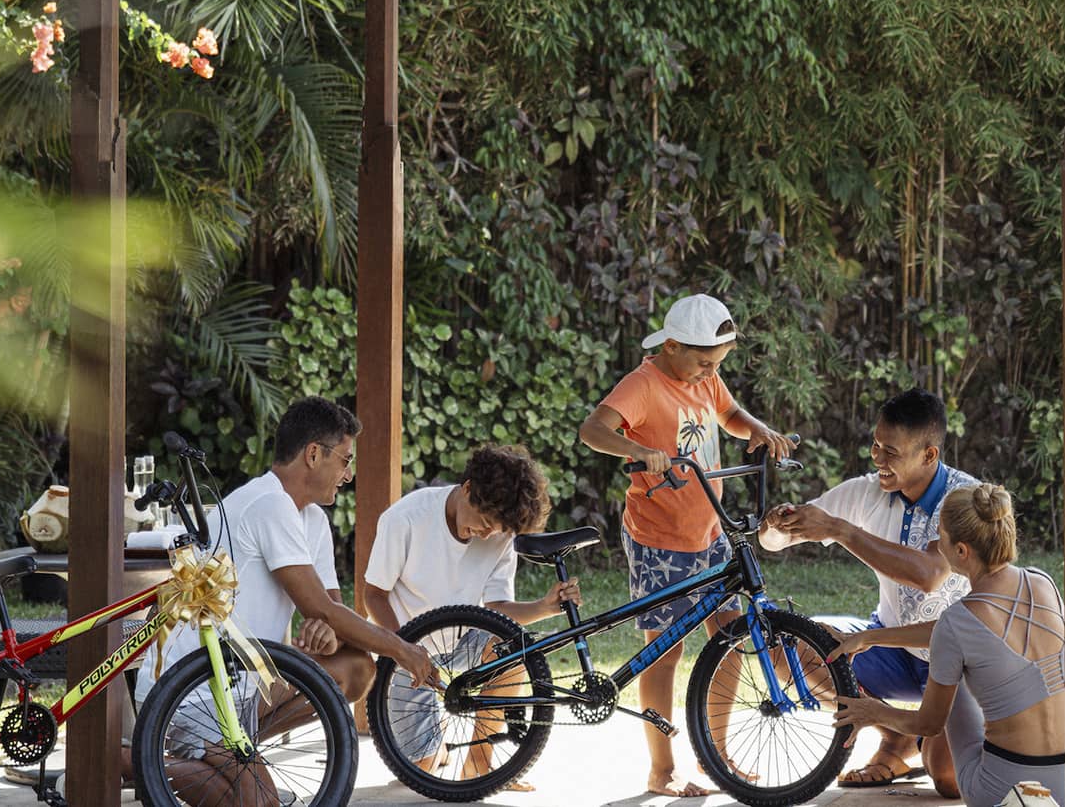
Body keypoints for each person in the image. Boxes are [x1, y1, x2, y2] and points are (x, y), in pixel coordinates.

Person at [131, 397, 435, 804]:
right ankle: (126, 762)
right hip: (195, 690)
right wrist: (402, 649)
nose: (348, 474)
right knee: (261, 802)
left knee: (355, 668)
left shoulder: (313, 520)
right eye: (345, 460)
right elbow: (324, 609)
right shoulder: (267, 503)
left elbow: (330, 612)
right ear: (313, 454)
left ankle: (225, 761)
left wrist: (326, 631)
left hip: (245, 684)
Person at [579, 292, 795, 799]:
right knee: (665, 653)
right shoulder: (644, 383)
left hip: (711, 532)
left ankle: (716, 754)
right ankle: (662, 768)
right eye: (703, 363)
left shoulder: (704, 376)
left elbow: (731, 412)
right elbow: (593, 429)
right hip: (660, 542)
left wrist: (757, 428)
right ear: (672, 345)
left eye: (716, 365)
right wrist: (637, 450)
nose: (708, 373)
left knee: (733, 639)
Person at [763, 386, 976, 793]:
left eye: (891, 452)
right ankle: (896, 739)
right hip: (889, 646)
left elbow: (930, 574)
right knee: (782, 644)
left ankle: (921, 742)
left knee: (948, 777)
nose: (877, 458)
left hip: (958, 662)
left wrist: (841, 531)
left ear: (929, 455)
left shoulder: (964, 498)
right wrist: (776, 526)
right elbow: (776, 541)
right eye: (876, 445)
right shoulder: (866, 490)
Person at [829, 483, 1065, 807]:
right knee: (965, 650)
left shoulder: (959, 621)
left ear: (961, 551)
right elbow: (961, 632)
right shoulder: (1042, 582)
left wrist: (874, 712)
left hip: (1000, 790)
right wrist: (870, 637)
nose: (934, 544)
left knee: (956, 660)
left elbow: (928, 724)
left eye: (939, 535)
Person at [363, 442, 580, 789]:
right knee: (421, 771)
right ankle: (440, 746)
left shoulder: (500, 533)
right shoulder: (406, 518)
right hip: (405, 647)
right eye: (483, 523)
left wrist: (544, 606)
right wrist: (404, 651)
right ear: (467, 490)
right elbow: (373, 595)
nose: (486, 534)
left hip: (463, 638)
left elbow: (496, 611)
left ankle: (479, 767)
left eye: (496, 529)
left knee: (511, 651)